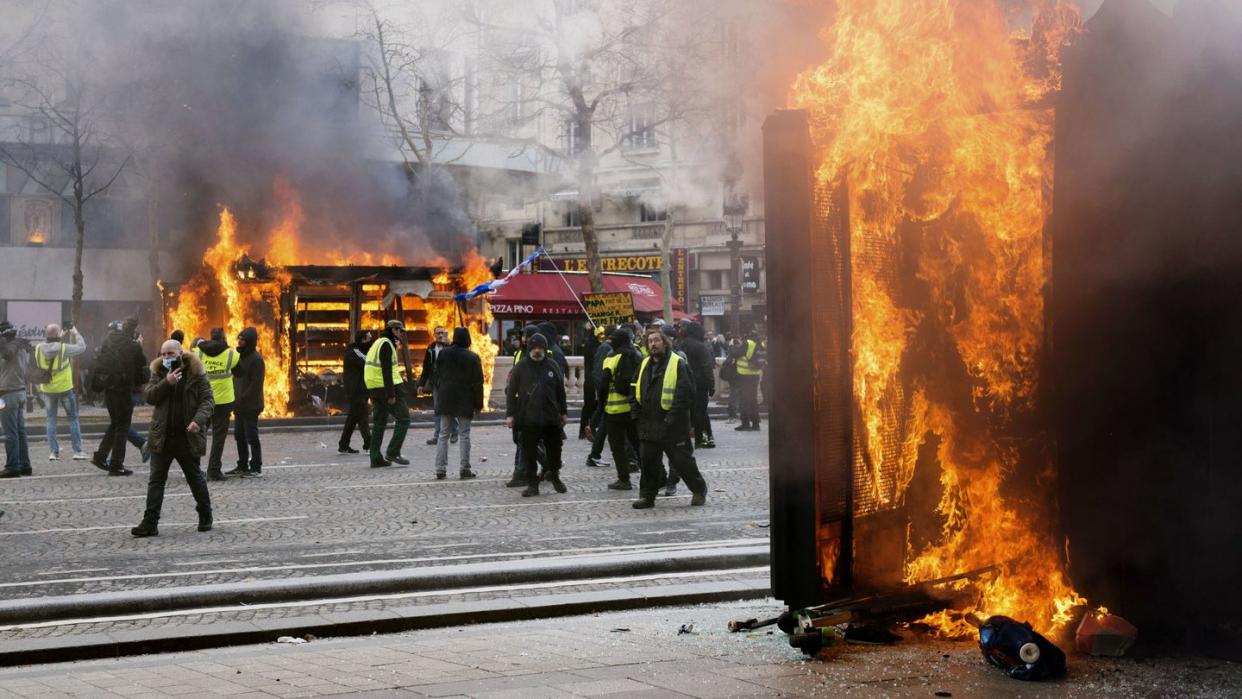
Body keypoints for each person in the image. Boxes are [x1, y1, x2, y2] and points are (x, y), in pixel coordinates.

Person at [131, 339, 214, 537]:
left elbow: (208, 401)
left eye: (171, 353)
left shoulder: (196, 372)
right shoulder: (159, 371)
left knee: (195, 477)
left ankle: (205, 514)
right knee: (156, 480)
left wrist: (197, 421)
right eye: (164, 354)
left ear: (180, 353)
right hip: (162, 436)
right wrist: (166, 383)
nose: (167, 357)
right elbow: (149, 396)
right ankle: (150, 522)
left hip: (187, 436)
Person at [631, 328, 707, 509]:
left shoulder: (678, 363)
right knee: (648, 464)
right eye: (650, 341)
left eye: (656, 340)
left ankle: (698, 490)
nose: (653, 344)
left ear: (664, 342)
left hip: (673, 425)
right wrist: (636, 414)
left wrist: (670, 419)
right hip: (649, 425)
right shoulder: (644, 364)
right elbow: (633, 388)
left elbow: (686, 394)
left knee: (683, 463)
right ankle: (647, 496)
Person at [504, 333, 567, 497]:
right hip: (528, 418)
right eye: (534, 348)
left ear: (545, 349)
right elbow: (511, 393)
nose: (537, 351)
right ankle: (533, 485)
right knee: (529, 453)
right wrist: (510, 415)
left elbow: (560, 391)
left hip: (551, 417)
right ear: (529, 349)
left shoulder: (552, 366)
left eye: (540, 348)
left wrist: (563, 412)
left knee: (555, 451)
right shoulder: (521, 367)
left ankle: (555, 477)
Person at [90, 317, 146, 476]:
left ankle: (100, 456)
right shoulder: (132, 346)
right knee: (122, 427)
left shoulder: (108, 340)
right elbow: (141, 365)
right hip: (123, 390)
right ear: (133, 331)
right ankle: (116, 465)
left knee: (115, 424)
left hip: (109, 388)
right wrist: (139, 345)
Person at [595, 327, 642, 491]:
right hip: (634, 409)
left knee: (617, 447)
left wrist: (601, 406)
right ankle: (655, 475)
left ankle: (624, 479)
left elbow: (603, 385)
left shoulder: (612, 357)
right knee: (638, 444)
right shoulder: (638, 356)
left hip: (614, 410)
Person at [433, 327, 483, 480]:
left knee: (443, 434)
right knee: (464, 435)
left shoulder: (443, 353)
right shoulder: (473, 357)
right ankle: (464, 468)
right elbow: (478, 383)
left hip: (446, 397)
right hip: (464, 399)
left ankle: (440, 469)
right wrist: (478, 404)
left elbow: (437, 374)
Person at [34, 324, 88, 461]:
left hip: (47, 389)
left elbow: (50, 348)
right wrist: (75, 333)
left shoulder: (39, 348)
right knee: (73, 419)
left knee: (51, 419)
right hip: (64, 389)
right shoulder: (64, 349)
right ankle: (77, 451)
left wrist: (58, 337)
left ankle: (53, 452)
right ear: (58, 335)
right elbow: (82, 347)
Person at [194, 328, 239, 481]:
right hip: (224, 401)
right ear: (223, 338)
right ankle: (214, 470)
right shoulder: (231, 354)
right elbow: (239, 370)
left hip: (203, 400)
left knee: (199, 433)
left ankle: (194, 469)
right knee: (219, 437)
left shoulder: (198, 352)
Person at [366, 320, 411, 468]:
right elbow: (386, 371)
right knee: (404, 418)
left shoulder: (378, 342)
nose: (401, 334)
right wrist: (391, 394)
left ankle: (375, 457)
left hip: (374, 387)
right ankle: (393, 452)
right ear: (393, 330)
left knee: (379, 422)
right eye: (399, 331)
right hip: (387, 388)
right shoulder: (387, 344)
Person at [676, 320, 717, 449]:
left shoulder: (680, 345)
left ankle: (684, 440)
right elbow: (707, 367)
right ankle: (703, 439)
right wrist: (711, 385)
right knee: (701, 413)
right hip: (699, 385)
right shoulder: (701, 347)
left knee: (686, 413)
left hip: (683, 383)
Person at [0, 321, 33, 478]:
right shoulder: (21, 347)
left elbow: (6, 356)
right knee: (20, 431)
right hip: (19, 392)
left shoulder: (9, 349)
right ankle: (24, 464)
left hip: (9, 393)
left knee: (10, 432)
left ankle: (13, 466)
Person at [231, 327, 264, 478]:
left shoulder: (256, 359)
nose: (240, 342)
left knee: (251, 436)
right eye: (239, 339)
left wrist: (243, 398)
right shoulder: (239, 357)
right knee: (239, 435)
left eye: (243, 340)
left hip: (250, 405)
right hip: (238, 405)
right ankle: (242, 465)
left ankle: (256, 466)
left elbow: (256, 384)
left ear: (249, 341)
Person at [419, 326, 457, 446]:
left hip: (449, 383)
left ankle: (454, 432)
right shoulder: (430, 349)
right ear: (434, 334)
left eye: (442, 333)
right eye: (438, 333)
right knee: (437, 409)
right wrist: (421, 384)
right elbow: (426, 368)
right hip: (436, 383)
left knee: (449, 408)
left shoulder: (451, 347)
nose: (440, 335)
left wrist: (449, 346)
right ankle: (437, 436)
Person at [338, 330, 372, 454]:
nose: (371, 341)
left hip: (361, 389)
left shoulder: (360, 351)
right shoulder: (354, 353)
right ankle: (369, 444)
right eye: (369, 338)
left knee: (352, 418)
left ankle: (343, 445)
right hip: (356, 391)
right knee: (363, 417)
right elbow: (367, 365)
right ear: (363, 340)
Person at [584, 327, 614, 467]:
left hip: (611, 395)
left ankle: (594, 453)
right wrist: (601, 389)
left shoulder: (608, 348)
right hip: (609, 394)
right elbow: (598, 371)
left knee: (605, 424)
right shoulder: (605, 348)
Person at [732, 330, 765, 431]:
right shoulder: (761, 344)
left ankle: (745, 423)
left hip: (745, 375)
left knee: (744, 400)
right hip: (755, 375)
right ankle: (755, 424)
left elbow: (735, 354)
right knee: (753, 400)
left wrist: (736, 346)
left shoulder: (748, 343)